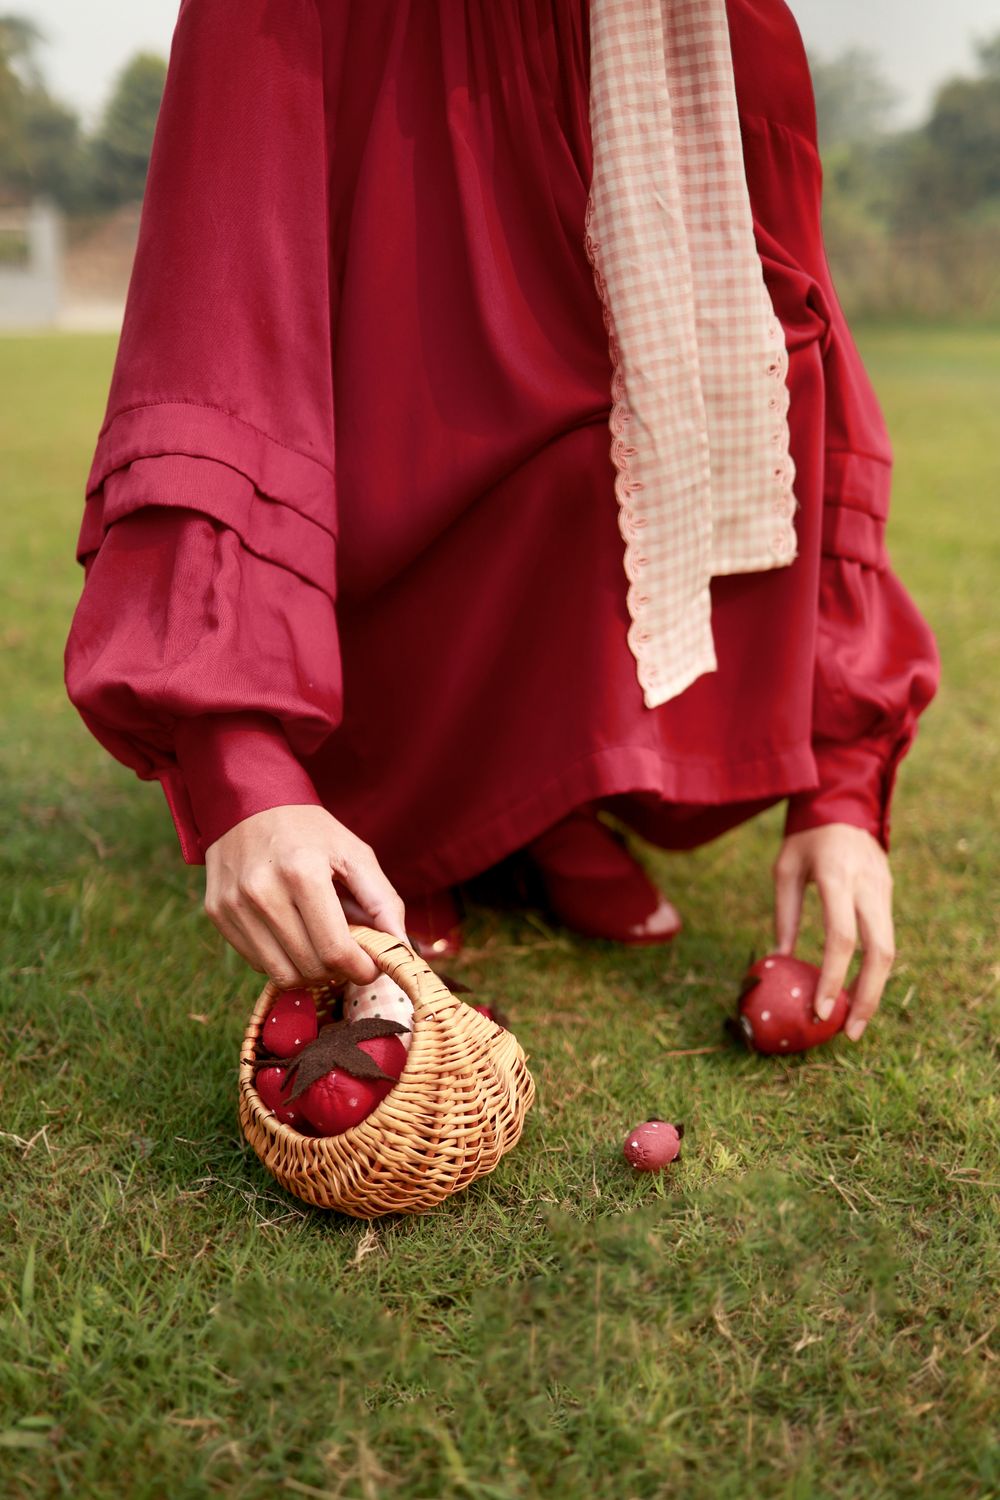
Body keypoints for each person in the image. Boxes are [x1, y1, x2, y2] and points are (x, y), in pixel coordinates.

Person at [64, 0, 940, 1042]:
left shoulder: (712, 23)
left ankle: (551, 798)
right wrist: (240, 768)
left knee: (662, 397)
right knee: (426, 406)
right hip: (392, 57)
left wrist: (843, 789)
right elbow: (219, 334)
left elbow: (809, 365)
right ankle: (401, 818)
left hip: (625, 40)